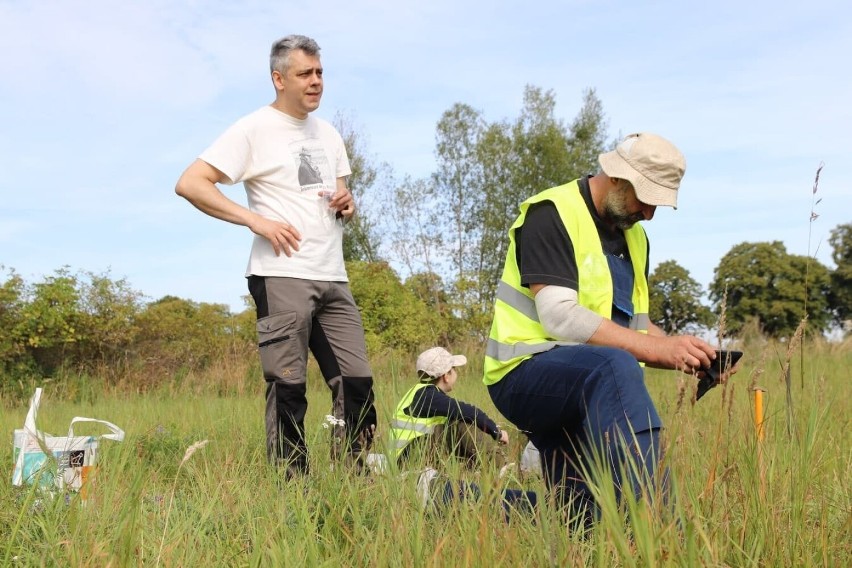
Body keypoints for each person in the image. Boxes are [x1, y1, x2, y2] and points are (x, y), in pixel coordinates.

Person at [483, 132, 719, 524]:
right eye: (645, 199)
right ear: (616, 177)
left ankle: (443, 495)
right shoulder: (551, 211)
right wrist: (657, 351)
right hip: (522, 374)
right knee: (614, 365)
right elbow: (560, 316)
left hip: (587, 383)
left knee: (584, 518)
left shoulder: (636, 239)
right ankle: (662, 528)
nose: (649, 214)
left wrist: (687, 352)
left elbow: (636, 328)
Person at [175, 34, 376, 477]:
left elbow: (340, 198)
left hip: (334, 276)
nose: (316, 81)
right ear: (278, 78)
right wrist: (255, 221)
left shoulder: (330, 134)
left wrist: (348, 204)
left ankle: (353, 476)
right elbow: (191, 183)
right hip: (281, 274)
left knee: (357, 379)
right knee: (288, 384)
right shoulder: (253, 129)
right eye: (305, 73)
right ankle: (292, 487)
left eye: (320, 72)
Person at [389, 347, 509, 469]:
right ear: (446, 376)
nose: (456, 373)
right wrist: (496, 432)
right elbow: (469, 412)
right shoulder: (427, 396)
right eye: (454, 369)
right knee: (461, 425)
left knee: (453, 425)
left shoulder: (420, 393)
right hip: (407, 461)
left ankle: (475, 469)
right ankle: (499, 467)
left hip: (408, 457)